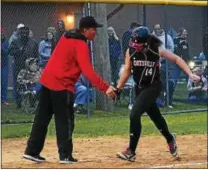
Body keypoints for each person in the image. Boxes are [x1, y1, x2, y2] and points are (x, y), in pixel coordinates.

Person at [23, 16, 116, 164]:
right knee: (65, 121)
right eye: (93, 30)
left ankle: (31, 151)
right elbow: (88, 71)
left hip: (47, 81)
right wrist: (106, 88)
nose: (95, 33)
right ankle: (65, 155)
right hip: (62, 85)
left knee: (41, 118)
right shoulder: (81, 44)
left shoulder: (67, 36)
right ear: (85, 30)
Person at [115, 26, 200, 162]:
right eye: (134, 42)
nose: (134, 45)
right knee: (156, 117)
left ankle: (131, 151)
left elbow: (177, 59)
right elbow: (127, 71)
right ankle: (170, 138)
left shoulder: (155, 49)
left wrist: (190, 74)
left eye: (138, 43)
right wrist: (118, 88)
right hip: (140, 88)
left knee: (134, 114)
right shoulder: (130, 51)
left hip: (153, 86)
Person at [9, 26, 39, 108]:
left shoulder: (33, 42)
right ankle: (19, 102)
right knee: (19, 84)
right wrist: (19, 51)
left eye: (26, 32)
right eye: (23, 32)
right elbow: (10, 51)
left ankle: (31, 102)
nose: (25, 34)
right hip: (19, 66)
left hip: (30, 67)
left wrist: (36, 65)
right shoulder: (15, 42)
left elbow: (37, 55)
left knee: (31, 84)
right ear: (20, 33)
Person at [1, 28, 9, 105]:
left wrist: (2, 49)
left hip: (4, 65)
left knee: (4, 82)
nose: (1, 35)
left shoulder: (6, 41)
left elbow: (7, 52)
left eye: (2, 34)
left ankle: (4, 99)